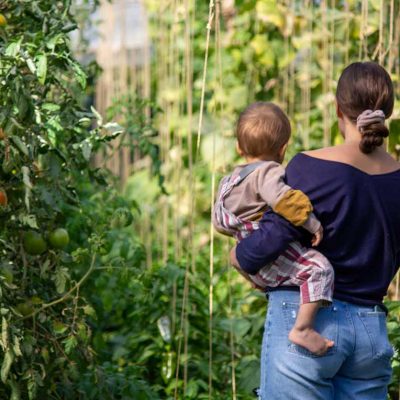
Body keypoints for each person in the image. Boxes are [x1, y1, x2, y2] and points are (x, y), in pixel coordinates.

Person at [231, 61, 400, 399]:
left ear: (338, 108)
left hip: (306, 322)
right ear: (388, 112)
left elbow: (273, 236)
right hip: (370, 329)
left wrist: (239, 256)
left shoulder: (311, 167)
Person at [213, 102, 334, 355]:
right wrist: (312, 223)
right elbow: (284, 201)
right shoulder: (267, 172)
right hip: (268, 257)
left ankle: (262, 282)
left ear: (238, 146)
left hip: (251, 258)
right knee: (320, 269)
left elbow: (220, 222)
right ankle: (303, 328)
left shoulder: (231, 180)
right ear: (283, 149)